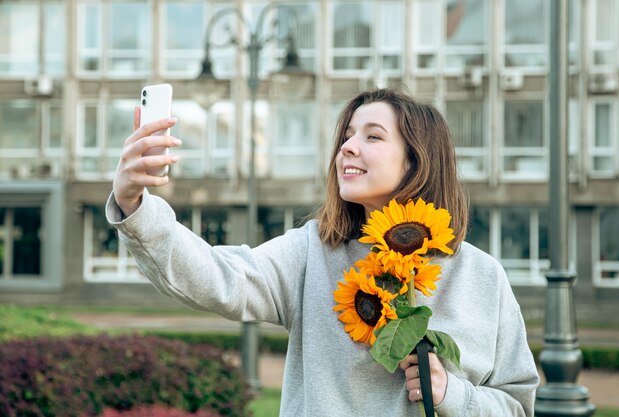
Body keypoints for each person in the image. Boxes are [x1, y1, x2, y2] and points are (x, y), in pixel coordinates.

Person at [107, 88, 539, 416]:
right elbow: (221, 278)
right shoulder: (313, 252)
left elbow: (518, 404)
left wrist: (453, 395)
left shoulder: (482, 275)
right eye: (347, 135)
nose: (347, 147)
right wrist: (135, 205)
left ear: (417, 161)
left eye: (373, 136)